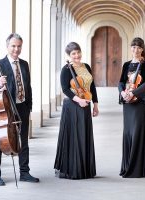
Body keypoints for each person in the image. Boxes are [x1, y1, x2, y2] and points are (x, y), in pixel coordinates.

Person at [0, 33, 39, 186]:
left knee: (23, 140)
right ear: (7, 46)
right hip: (7, 108)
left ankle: (24, 172)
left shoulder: (24, 64)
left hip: (23, 106)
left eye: (19, 46)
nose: (16, 49)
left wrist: (29, 105)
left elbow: (27, 86)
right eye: (13, 46)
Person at [54, 42, 99, 179]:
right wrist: (78, 100)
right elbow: (65, 89)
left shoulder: (87, 67)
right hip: (73, 105)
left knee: (84, 135)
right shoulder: (66, 69)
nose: (77, 55)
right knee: (74, 136)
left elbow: (92, 87)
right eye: (73, 53)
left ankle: (84, 169)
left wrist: (95, 104)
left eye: (78, 52)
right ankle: (73, 169)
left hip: (86, 103)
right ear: (69, 55)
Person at [118, 37, 145, 178]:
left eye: (138, 47)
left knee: (138, 131)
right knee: (128, 132)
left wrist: (133, 92)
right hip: (127, 101)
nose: (136, 50)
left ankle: (139, 168)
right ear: (131, 48)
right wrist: (123, 92)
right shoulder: (126, 64)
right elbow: (121, 81)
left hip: (140, 101)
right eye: (133, 47)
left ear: (142, 49)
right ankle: (127, 166)